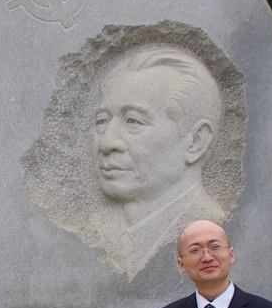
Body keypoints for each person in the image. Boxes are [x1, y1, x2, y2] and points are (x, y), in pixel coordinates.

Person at [93, 44, 226, 277]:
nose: (107, 143)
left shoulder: (208, 222)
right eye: (102, 121)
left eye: (133, 121)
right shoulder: (96, 229)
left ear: (196, 141)